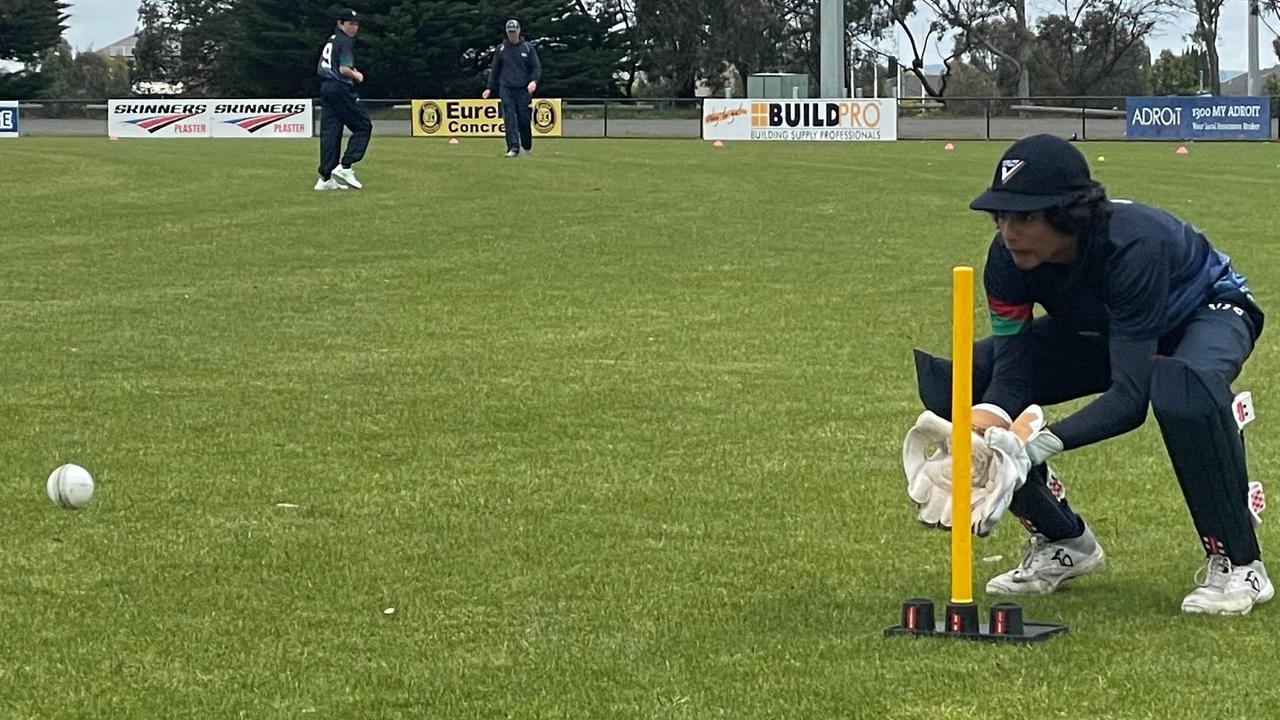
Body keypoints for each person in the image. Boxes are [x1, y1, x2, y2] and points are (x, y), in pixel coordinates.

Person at [912, 133, 1271, 615]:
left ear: (1069, 214)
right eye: (1002, 217)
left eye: (1026, 217)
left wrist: (1033, 445)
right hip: (1108, 328)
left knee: (1181, 386)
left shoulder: (1134, 245)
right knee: (958, 384)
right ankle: (1063, 542)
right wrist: (987, 428)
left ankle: (1240, 564)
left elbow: (1130, 400)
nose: (1008, 231)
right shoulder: (1005, 261)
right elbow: (1011, 379)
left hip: (1204, 313)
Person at [315, 8, 372, 190]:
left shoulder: (332, 40)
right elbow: (344, 69)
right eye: (350, 23)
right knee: (363, 126)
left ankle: (325, 178)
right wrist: (358, 75)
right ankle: (345, 166)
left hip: (326, 87)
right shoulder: (345, 41)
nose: (354, 28)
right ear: (340, 24)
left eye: (356, 24)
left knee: (331, 132)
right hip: (340, 87)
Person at [481, 19, 542, 159]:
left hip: (523, 89)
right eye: (510, 32)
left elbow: (536, 67)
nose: (512, 35)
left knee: (523, 118)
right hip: (506, 88)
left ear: (519, 31)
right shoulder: (501, 49)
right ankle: (513, 147)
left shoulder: (527, 48)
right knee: (509, 118)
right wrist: (489, 88)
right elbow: (495, 70)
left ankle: (526, 145)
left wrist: (534, 81)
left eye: (514, 32)